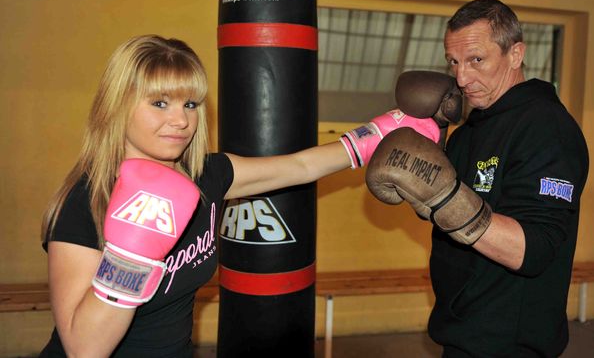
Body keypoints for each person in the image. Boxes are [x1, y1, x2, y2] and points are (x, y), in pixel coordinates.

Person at [38, 34, 460, 357]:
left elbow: (300, 166)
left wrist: (382, 131)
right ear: (118, 106)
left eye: (190, 104)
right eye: (160, 102)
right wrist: (129, 257)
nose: (180, 120)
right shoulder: (86, 201)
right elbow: (84, 348)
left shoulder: (206, 175)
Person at [366, 0, 589, 357]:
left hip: (509, 343)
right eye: (453, 61)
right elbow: (444, 211)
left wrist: (444, 196)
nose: (461, 78)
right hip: (462, 330)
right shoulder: (469, 129)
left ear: (515, 54)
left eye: (476, 60)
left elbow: (534, 250)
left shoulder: (546, 128)